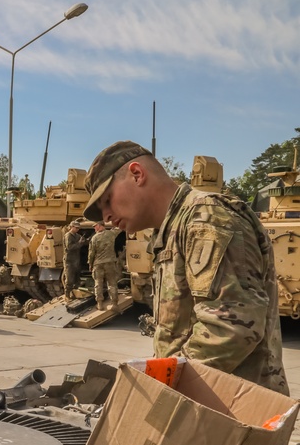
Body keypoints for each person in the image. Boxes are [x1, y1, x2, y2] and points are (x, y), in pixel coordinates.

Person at [84, 140, 288, 394]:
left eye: (107, 200)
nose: (106, 217)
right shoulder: (173, 229)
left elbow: (230, 327)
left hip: (233, 411)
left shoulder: (206, 219)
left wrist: (165, 388)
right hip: (205, 404)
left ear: (137, 174)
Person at [87, 220, 121, 310]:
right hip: (110, 262)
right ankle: (114, 303)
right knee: (112, 283)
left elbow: (91, 253)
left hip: (98, 264)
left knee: (98, 283)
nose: (94, 228)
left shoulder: (94, 238)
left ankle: (100, 304)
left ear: (100, 226)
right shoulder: (111, 234)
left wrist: (90, 264)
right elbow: (120, 229)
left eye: (95, 226)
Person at [63, 220, 87, 299]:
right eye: (76, 228)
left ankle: (75, 294)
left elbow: (82, 242)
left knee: (77, 278)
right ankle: (67, 295)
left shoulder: (77, 235)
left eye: (78, 228)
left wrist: (84, 241)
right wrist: (80, 243)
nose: (77, 229)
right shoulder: (68, 236)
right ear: (71, 227)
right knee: (69, 279)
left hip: (76, 260)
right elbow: (70, 247)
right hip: (69, 260)